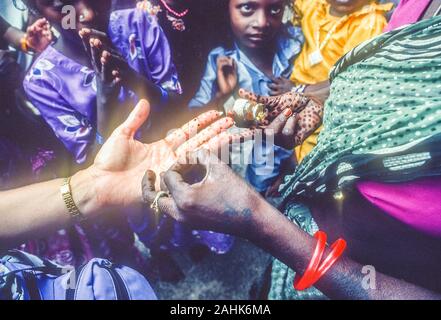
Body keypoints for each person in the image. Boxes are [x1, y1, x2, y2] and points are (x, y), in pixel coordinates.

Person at [144, 15, 441, 299]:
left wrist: (257, 220)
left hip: (358, 275)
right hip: (301, 239)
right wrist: (317, 96)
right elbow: (377, 76)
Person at [189, 0, 303, 195]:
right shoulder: (221, 59)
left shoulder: (295, 45)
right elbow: (192, 122)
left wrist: (300, 90)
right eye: (247, 8)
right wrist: (221, 95)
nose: (261, 22)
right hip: (244, 181)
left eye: (274, 9)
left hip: (292, 176)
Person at [270, 0, 393, 163]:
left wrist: (299, 90)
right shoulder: (315, 6)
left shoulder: (368, 22)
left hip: (326, 107)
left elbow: (349, 79)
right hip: (294, 100)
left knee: (308, 159)